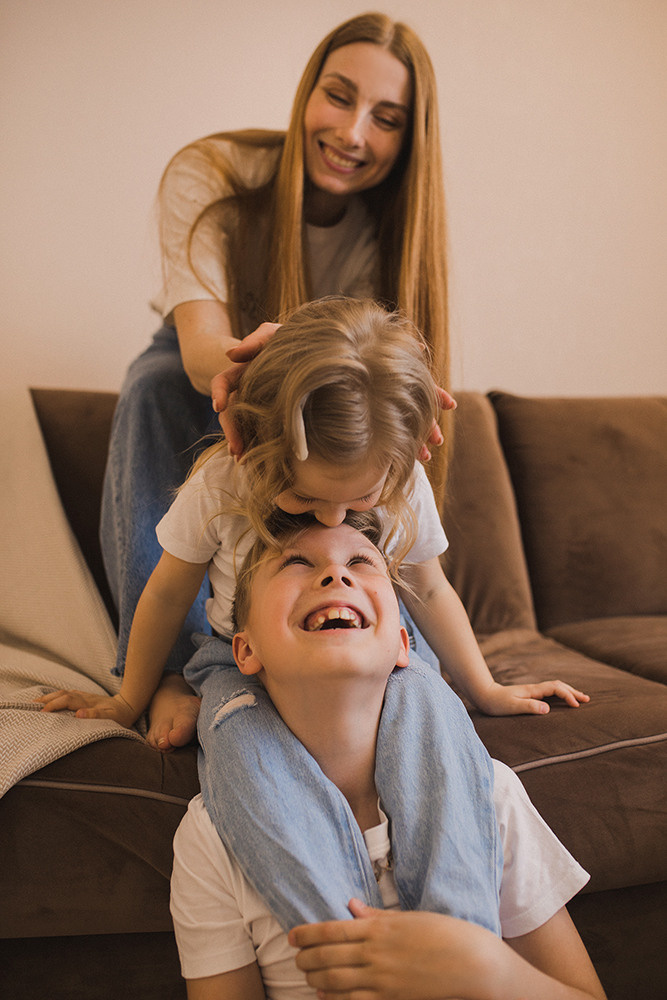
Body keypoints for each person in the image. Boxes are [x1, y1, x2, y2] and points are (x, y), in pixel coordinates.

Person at [39, 297, 588, 934]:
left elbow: (432, 591)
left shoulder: (403, 479)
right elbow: (164, 593)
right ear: (254, 442)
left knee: (439, 727)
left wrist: (485, 688)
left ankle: (456, 936)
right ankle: (337, 938)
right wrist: (132, 694)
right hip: (235, 660)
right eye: (304, 496)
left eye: (359, 499)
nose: (332, 519)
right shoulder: (224, 482)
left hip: (383, 653)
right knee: (242, 753)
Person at [98, 11, 454, 746]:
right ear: (305, 93)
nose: (354, 133)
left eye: (386, 119)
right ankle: (171, 665)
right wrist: (258, 363)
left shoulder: (397, 231)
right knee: (156, 383)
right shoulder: (216, 174)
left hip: (338, 402)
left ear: (409, 137)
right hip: (219, 367)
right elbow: (202, 354)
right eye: (339, 96)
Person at [169, 513, 606, 1000]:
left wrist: (488, 970)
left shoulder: (487, 796)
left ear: (403, 644)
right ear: (245, 651)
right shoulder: (212, 837)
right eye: (296, 562)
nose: (337, 575)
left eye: (360, 560)